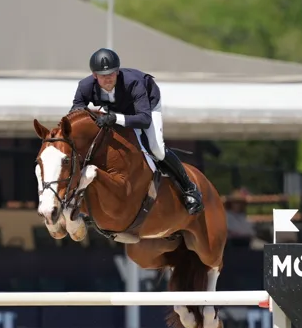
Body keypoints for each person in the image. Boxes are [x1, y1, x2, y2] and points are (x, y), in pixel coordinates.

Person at [71, 48, 203, 216]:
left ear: (118, 71)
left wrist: (114, 118)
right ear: (94, 75)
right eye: (103, 75)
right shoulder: (85, 86)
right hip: (115, 109)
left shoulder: (134, 83)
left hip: (147, 106)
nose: (108, 78)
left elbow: (144, 119)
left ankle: (189, 189)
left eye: (112, 73)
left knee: (156, 148)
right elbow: (75, 113)